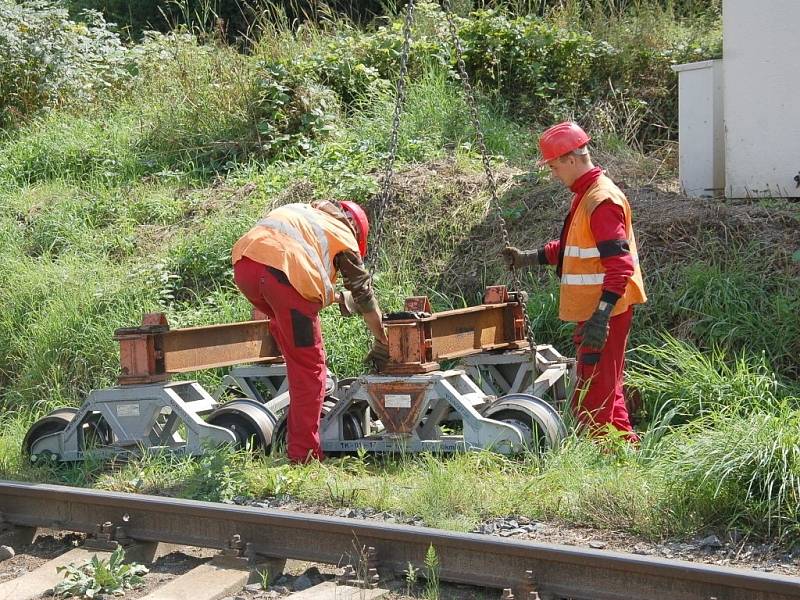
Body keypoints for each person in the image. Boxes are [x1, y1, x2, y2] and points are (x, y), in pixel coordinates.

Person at [502, 122, 646, 441]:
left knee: (593, 400)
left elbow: (619, 266)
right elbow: (575, 249)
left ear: (571, 159)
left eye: (554, 166)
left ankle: (603, 469)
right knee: (609, 392)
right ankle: (624, 455)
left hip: (604, 315)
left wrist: (601, 317)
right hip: (598, 313)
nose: (554, 173)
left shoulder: (601, 200)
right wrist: (528, 257)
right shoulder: (587, 195)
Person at [232, 199, 387, 463]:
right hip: (281, 278)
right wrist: (382, 339)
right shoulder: (343, 235)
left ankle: (286, 350)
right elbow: (365, 296)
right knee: (310, 370)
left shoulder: (304, 213)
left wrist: (337, 297)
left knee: (288, 331)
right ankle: (304, 456)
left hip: (245, 267)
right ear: (356, 230)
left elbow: (295, 266)